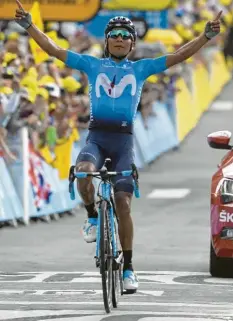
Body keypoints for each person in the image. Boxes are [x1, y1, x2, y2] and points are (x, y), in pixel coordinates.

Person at [14, 0, 222, 291]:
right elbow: (53, 49)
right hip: (97, 137)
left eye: (127, 35)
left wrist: (206, 37)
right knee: (84, 173)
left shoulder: (140, 69)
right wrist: (29, 26)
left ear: (133, 44)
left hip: (123, 141)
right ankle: (91, 217)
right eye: (116, 34)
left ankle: (128, 267)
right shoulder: (91, 64)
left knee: (124, 204)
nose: (121, 39)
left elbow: (178, 55)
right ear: (107, 40)